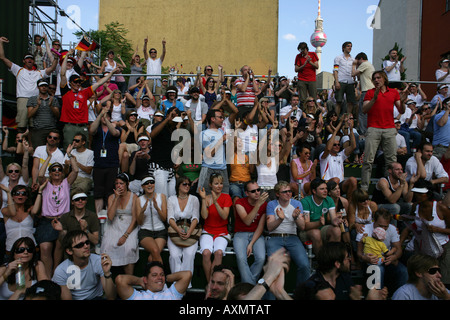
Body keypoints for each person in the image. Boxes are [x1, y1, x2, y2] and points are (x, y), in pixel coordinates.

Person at [60, 49, 120, 149]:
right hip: (70, 126)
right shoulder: (65, 92)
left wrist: (111, 73)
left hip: (83, 126)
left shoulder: (84, 93)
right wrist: (66, 57)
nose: (77, 84)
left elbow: (99, 83)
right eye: (75, 82)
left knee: (84, 149)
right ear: (70, 83)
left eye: (79, 82)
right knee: (69, 149)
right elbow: (62, 74)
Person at [361, 70, 407, 191]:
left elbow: (401, 111)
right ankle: (364, 188)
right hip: (373, 128)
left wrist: (402, 101)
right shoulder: (370, 93)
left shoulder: (393, 92)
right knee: (368, 160)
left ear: (384, 79)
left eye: (378, 78)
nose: (376, 80)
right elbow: (364, 110)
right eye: (374, 78)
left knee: (392, 161)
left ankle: (390, 188)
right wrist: (374, 98)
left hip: (389, 129)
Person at [35, 149, 79, 278]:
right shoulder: (46, 184)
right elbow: (40, 174)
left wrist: (70, 155)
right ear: (50, 173)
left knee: (59, 247)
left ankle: (55, 274)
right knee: (45, 248)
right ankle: (46, 277)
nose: (57, 171)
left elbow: (75, 171)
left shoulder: (66, 183)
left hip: (63, 220)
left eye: (59, 169)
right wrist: (49, 157)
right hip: (46, 220)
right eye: (53, 170)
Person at [294, 241, 388, 300]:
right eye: (347, 258)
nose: (350, 260)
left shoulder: (345, 277)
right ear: (337, 264)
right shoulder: (315, 287)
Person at [0, 36, 57, 130]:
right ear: (24, 61)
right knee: (22, 124)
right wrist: (0, 42)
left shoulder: (39, 72)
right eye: (27, 58)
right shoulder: (18, 70)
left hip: (35, 100)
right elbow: (2, 57)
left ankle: (31, 144)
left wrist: (56, 58)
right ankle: (20, 143)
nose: (29, 60)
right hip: (23, 99)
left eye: (31, 58)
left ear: (34, 61)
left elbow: (52, 68)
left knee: (34, 125)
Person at [399, 179, 450, 282]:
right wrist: (399, 245)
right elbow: (411, 226)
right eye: (416, 193)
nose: (417, 195)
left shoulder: (441, 208)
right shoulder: (415, 207)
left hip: (443, 247)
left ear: (428, 194)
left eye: (420, 193)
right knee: (424, 279)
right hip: (423, 248)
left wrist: (437, 229)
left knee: (443, 279)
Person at [266, 180, 310, 287]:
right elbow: (270, 227)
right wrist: (280, 219)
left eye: (290, 191)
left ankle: (300, 294)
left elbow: (302, 226)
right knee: (272, 266)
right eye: (284, 192)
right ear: (277, 194)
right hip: (275, 237)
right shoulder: (271, 204)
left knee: (304, 265)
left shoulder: (296, 203)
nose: (288, 194)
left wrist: (295, 218)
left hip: (292, 237)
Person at [52, 230, 116, 300]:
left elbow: (111, 297)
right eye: (80, 245)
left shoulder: (98, 261)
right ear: (69, 251)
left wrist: (107, 273)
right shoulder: (61, 271)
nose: (86, 246)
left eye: (87, 242)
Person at [356, 208, 408, 294]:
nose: (383, 228)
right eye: (380, 225)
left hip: (387, 259)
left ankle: (400, 296)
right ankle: (375, 297)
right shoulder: (364, 229)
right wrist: (364, 258)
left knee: (403, 271)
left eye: (385, 226)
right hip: (370, 261)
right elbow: (359, 252)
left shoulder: (392, 229)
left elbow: (398, 250)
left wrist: (394, 257)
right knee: (377, 270)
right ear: (374, 221)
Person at [101, 173, 139, 275]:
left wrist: (125, 235)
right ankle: (107, 276)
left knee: (129, 247)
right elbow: (110, 217)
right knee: (107, 244)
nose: (119, 186)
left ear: (126, 184)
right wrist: (116, 198)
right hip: (114, 224)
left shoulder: (134, 197)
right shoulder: (111, 197)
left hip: (129, 225)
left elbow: (135, 219)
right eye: (117, 183)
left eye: (121, 183)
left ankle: (128, 279)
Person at [198, 173, 232, 283]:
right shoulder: (206, 198)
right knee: (206, 253)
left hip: (222, 232)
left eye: (221, 183)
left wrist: (216, 202)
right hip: (208, 231)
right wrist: (203, 199)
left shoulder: (226, 197)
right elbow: (204, 216)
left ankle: (212, 283)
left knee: (218, 253)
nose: (219, 186)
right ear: (210, 185)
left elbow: (224, 216)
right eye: (216, 183)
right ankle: (210, 283)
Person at [233, 181, 268, 285]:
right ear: (247, 193)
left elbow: (260, 227)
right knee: (241, 258)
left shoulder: (264, 204)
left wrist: (251, 243)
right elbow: (247, 221)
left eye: (258, 190)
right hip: (240, 233)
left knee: (261, 258)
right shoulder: (240, 203)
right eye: (253, 191)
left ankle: (247, 285)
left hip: (256, 234)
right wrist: (258, 205)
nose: (257, 193)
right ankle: (251, 287)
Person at [89, 108, 122, 215]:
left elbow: (114, 133)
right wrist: (100, 116)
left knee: (110, 192)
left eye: (107, 116)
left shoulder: (117, 128)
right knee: (98, 192)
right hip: (98, 164)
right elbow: (91, 130)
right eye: (103, 116)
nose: (105, 118)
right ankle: (99, 215)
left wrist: (107, 121)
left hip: (112, 164)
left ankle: (109, 214)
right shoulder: (97, 130)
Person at [167, 176, 200, 280]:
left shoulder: (194, 199)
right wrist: (178, 230)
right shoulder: (171, 199)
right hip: (175, 229)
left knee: (189, 255)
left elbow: (195, 217)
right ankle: (176, 283)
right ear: (178, 186)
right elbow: (170, 218)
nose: (187, 186)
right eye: (184, 184)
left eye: (188, 184)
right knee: (174, 256)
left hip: (191, 228)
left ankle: (185, 283)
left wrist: (189, 232)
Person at [319, 114, 357, 202]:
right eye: (334, 144)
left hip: (340, 184)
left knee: (353, 180)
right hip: (327, 183)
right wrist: (337, 128)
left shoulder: (341, 155)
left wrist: (351, 130)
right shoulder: (324, 155)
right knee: (336, 179)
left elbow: (353, 146)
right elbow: (328, 148)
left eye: (338, 144)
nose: (337, 146)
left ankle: (349, 203)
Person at [300, 178, 342, 255]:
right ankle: (322, 260)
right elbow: (305, 225)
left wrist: (336, 221)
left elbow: (333, 218)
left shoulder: (329, 200)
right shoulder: (305, 201)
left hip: (321, 228)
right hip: (306, 231)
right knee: (316, 233)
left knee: (336, 230)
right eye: (322, 189)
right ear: (314, 191)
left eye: (326, 188)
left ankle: (332, 257)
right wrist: (319, 223)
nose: (325, 191)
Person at [115, 261, 191, 300]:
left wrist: (165, 279)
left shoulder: (171, 294)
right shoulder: (137, 296)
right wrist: (139, 281)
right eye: (154, 275)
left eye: (161, 274)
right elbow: (120, 279)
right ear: (145, 279)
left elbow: (187, 275)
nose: (159, 277)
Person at [0, 185, 41, 258]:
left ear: (27, 197)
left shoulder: (30, 209)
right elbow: (13, 213)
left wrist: (40, 192)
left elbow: (35, 211)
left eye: (23, 193)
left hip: (29, 249)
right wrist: (8, 192)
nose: (20, 195)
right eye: (17, 193)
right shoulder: (5, 210)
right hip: (11, 249)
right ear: (12, 196)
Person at [149, 107, 181, 197]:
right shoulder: (159, 125)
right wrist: (167, 119)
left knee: (172, 197)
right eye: (173, 115)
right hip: (158, 166)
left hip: (169, 167)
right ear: (167, 115)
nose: (174, 119)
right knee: (162, 197)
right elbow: (152, 135)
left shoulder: (174, 130)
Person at [135, 175, 168, 264]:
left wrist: (157, 208)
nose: (150, 185)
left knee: (151, 258)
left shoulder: (162, 197)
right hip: (145, 231)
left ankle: (151, 277)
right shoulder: (139, 200)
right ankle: (162, 277)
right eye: (146, 183)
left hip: (160, 231)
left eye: (152, 182)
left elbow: (164, 218)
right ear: (142, 186)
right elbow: (140, 222)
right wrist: (142, 212)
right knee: (155, 250)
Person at [197, 109, 230, 195]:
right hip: (208, 169)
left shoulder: (222, 132)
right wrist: (221, 140)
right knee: (206, 198)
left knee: (224, 197)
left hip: (222, 169)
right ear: (213, 119)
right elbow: (208, 154)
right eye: (220, 117)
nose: (222, 119)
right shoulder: (204, 133)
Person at [27, 78, 60, 148]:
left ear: (48, 87)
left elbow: (58, 115)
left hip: (51, 129)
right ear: (38, 87)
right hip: (38, 130)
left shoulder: (53, 99)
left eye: (45, 86)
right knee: (38, 152)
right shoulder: (32, 99)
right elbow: (29, 115)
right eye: (42, 86)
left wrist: (51, 106)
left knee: (52, 152)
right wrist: (37, 105)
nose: (44, 87)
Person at [351, 52, 375, 136]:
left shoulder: (364, 64)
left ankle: (363, 131)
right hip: (370, 90)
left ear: (361, 59)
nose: (357, 62)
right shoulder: (368, 65)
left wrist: (354, 65)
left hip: (366, 91)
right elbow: (358, 77)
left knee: (362, 113)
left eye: (358, 61)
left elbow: (353, 74)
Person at [333, 41, 356, 117]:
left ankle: (348, 118)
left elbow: (354, 70)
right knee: (338, 101)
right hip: (341, 81)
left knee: (350, 102)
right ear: (343, 48)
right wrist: (336, 82)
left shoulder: (353, 59)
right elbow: (335, 70)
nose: (350, 48)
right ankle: (336, 118)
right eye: (348, 46)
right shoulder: (338, 58)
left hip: (350, 82)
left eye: (351, 46)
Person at [295, 42, 319, 107]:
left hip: (311, 79)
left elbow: (317, 66)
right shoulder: (298, 56)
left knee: (313, 98)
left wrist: (309, 62)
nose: (301, 52)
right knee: (303, 99)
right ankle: (304, 113)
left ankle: (314, 112)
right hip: (302, 79)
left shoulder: (313, 54)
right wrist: (304, 65)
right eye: (300, 51)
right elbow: (296, 69)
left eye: (302, 51)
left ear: (306, 49)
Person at [143, 37, 166, 103]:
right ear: (150, 53)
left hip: (157, 80)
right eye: (151, 52)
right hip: (149, 80)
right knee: (148, 97)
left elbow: (164, 53)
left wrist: (163, 45)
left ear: (156, 53)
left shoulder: (159, 60)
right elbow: (144, 51)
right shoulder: (148, 60)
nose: (153, 53)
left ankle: (157, 111)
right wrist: (145, 43)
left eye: (154, 52)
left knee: (157, 98)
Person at [432, 96, 450, 160]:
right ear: (445, 105)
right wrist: (448, 110)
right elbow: (441, 123)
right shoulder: (439, 115)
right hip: (440, 147)